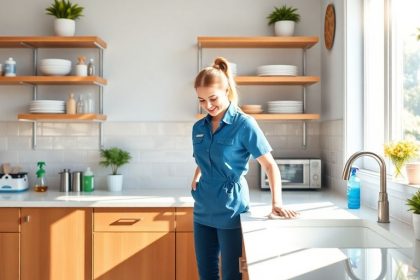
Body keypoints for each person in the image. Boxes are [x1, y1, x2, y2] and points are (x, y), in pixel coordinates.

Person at [190, 57, 298, 280]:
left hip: (231, 209)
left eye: (213, 98)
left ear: (226, 90)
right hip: (202, 208)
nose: (208, 106)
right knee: (206, 275)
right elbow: (202, 159)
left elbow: (270, 165)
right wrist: (197, 175)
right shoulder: (198, 127)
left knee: (231, 274)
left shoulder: (244, 124)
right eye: (201, 100)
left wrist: (276, 203)